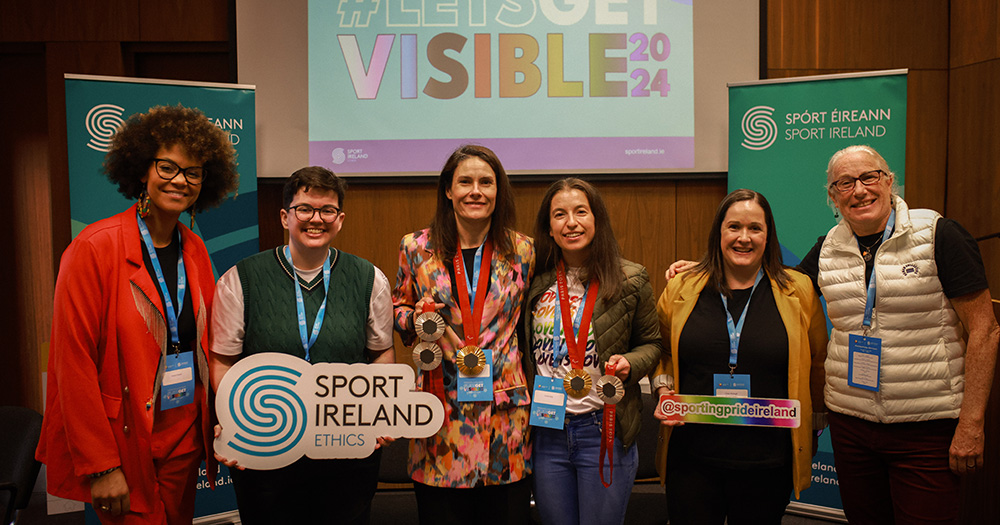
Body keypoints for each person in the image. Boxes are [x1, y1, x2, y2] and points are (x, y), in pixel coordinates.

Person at [36, 105, 239, 523]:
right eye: (168, 166)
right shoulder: (95, 248)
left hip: (183, 438)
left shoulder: (196, 250)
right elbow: (71, 363)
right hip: (124, 442)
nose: (180, 180)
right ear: (142, 170)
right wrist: (101, 466)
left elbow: (206, 344)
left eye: (194, 172)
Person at [794, 145, 1000, 524]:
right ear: (833, 197)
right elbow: (777, 289)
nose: (859, 190)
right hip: (851, 424)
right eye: (845, 183)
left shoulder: (938, 233)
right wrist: (706, 271)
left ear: (889, 182)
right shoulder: (828, 247)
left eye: (868, 177)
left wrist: (971, 423)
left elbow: (985, 331)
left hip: (927, 429)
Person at [209, 166, 394, 524]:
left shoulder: (369, 278)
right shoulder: (240, 279)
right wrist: (237, 418)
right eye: (305, 209)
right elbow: (222, 361)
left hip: (346, 449)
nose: (316, 219)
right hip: (267, 449)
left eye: (327, 211)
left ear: (339, 220)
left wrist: (379, 409)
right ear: (285, 216)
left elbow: (381, 353)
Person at [652, 189, 828, 524]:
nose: (743, 238)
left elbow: (818, 360)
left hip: (768, 461)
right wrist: (663, 391)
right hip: (692, 457)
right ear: (719, 232)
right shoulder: (681, 287)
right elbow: (660, 349)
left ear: (768, 234)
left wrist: (814, 427)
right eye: (734, 227)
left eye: (754, 228)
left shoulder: (799, 289)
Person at [392, 145, 534, 524]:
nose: (476, 191)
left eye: (486, 182)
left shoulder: (523, 250)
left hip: (505, 420)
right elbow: (397, 308)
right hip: (439, 415)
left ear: (498, 191)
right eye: (465, 182)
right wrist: (419, 320)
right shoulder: (416, 248)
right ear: (448, 190)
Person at [522, 178, 662, 525]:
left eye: (580, 212)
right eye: (559, 215)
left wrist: (630, 362)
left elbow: (654, 344)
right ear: (549, 228)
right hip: (547, 429)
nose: (571, 222)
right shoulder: (532, 282)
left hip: (604, 429)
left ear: (596, 219)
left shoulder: (631, 278)